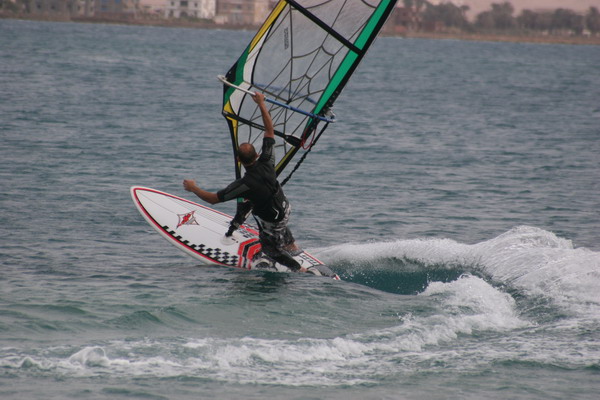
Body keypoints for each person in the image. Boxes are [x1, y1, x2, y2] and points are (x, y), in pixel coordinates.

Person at [183, 92, 306, 273]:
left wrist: (193, 188)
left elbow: (213, 199)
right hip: (285, 208)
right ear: (257, 155)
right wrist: (261, 104)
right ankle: (292, 246)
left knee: (268, 248)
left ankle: (298, 269)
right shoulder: (267, 161)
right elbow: (269, 130)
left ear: (238, 160)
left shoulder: (244, 184)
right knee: (273, 220)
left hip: (273, 218)